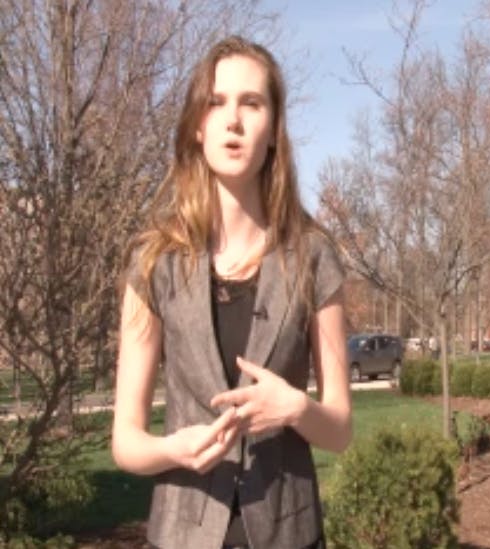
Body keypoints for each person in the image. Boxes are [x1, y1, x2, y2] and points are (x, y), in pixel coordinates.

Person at [111, 36, 352, 549]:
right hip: (181, 535)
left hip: (290, 535)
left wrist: (295, 408)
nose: (233, 120)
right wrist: (173, 450)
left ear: (274, 130)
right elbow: (125, 442)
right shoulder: (153, 263)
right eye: (216, 102)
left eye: (251, 103)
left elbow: (340, 430)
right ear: (198, 127)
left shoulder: (314, 258)